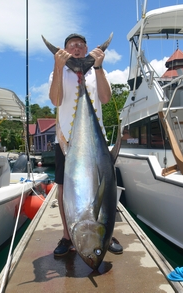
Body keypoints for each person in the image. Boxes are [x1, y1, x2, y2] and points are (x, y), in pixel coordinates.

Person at [49, 33, 123, 257]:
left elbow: (106, 98)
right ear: (65, 51)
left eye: (81, 45)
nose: (77, 49)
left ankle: (106, 234)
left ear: (87, 48)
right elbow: (56, 100)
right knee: (65, 189)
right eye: (72, 46)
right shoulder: (57, 72)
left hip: (95, 142)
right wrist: (59, 68)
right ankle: (67, 235)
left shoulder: (97, 70)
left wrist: (98, 68)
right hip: (67, 142)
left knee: (106, 187)